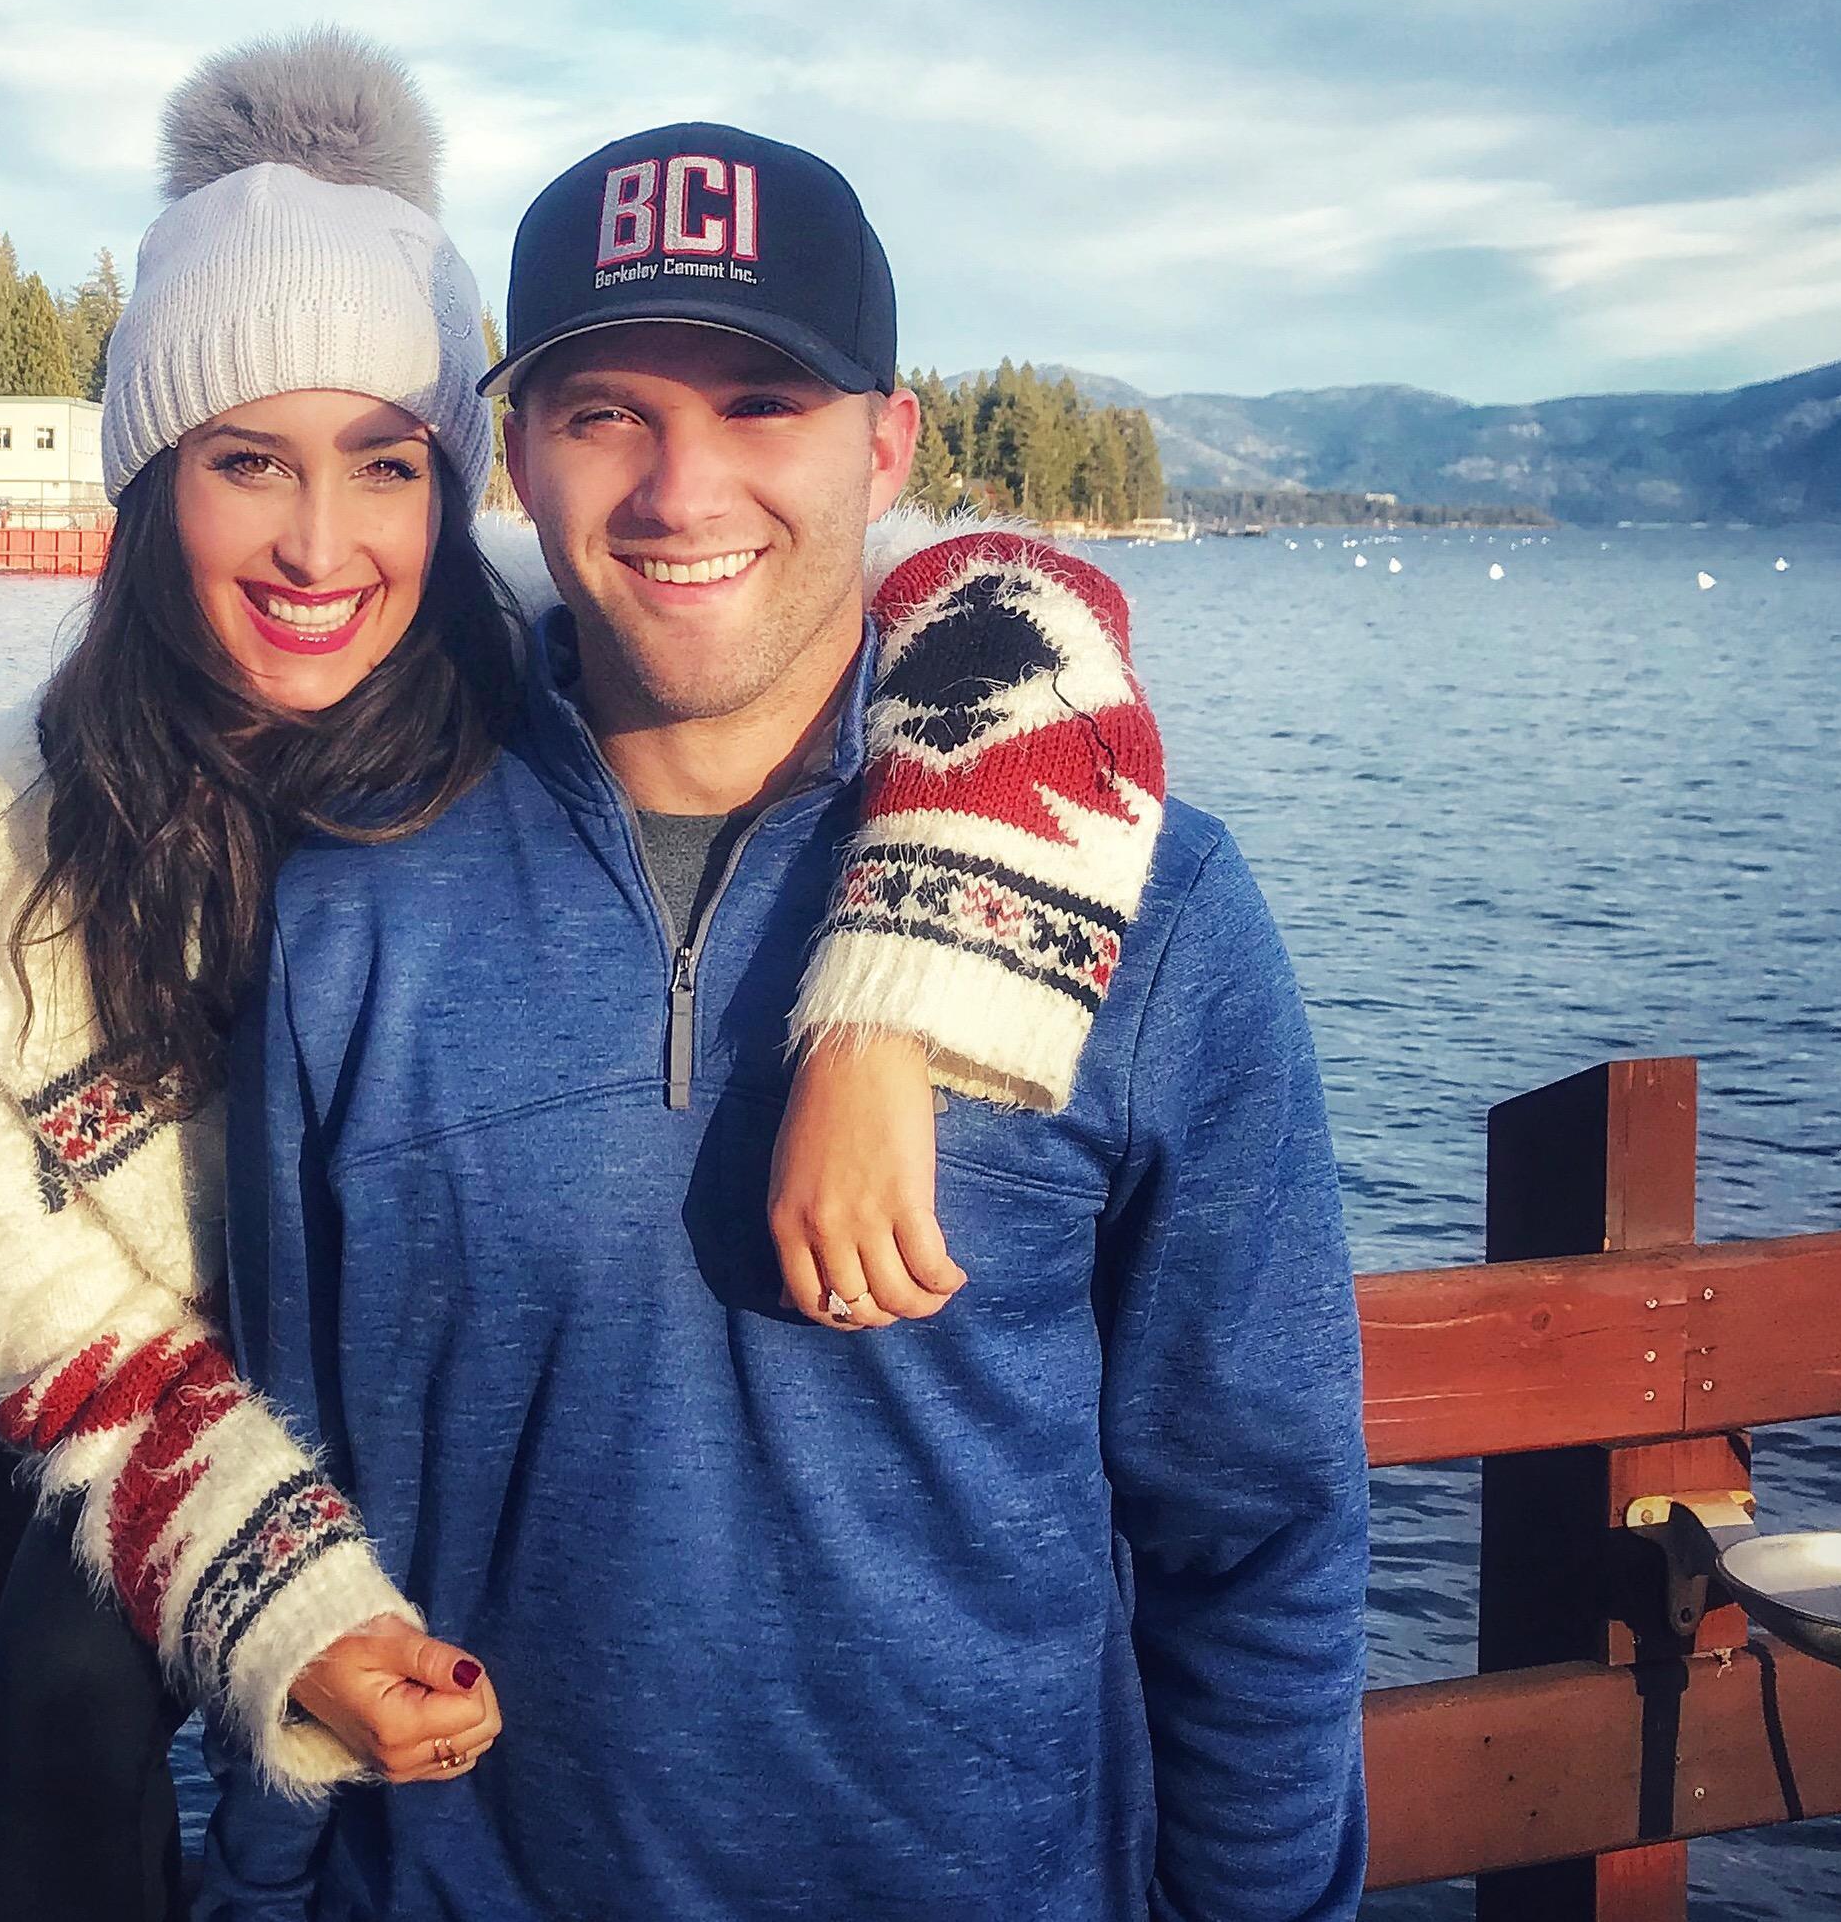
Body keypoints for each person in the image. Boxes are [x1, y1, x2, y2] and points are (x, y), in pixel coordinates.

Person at [0, 50, 1186, 1921]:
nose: (321, 544)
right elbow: (64, 1327)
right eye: (247, 461)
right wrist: (292, 1609)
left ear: (456, 476)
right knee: (69, 1677)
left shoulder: (524, 640)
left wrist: (897, 1006)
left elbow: (1011, 611)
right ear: (149, 483)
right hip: (241, 1417)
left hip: (498, 1419)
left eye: (384, 463)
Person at [206, 121, 1370, 1922]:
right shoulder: (354, 902)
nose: (683, 490)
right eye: (607, 413)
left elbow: (1258, 1525)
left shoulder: (1152, 914)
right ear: (516, 452)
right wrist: (256, 1889)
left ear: (888, 444)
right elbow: (296, 1477)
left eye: (763, 403)